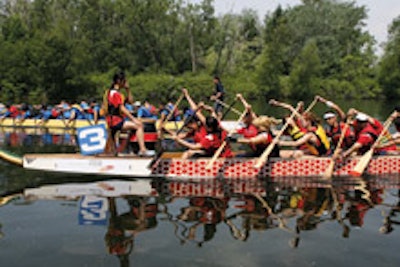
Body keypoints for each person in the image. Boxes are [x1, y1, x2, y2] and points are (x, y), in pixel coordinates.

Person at [105, 72, 154, 156]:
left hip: (116, 120)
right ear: (119, 81)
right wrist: (133, 119)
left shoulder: (117, 93)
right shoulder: (114, 93)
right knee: (139, 125)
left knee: (131, 130)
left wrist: (128, 90)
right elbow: (122, 108)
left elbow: (131, 101)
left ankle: (122, 150)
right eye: (124, 81)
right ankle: (143, 150)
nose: (125, 82)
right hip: (115, 121)